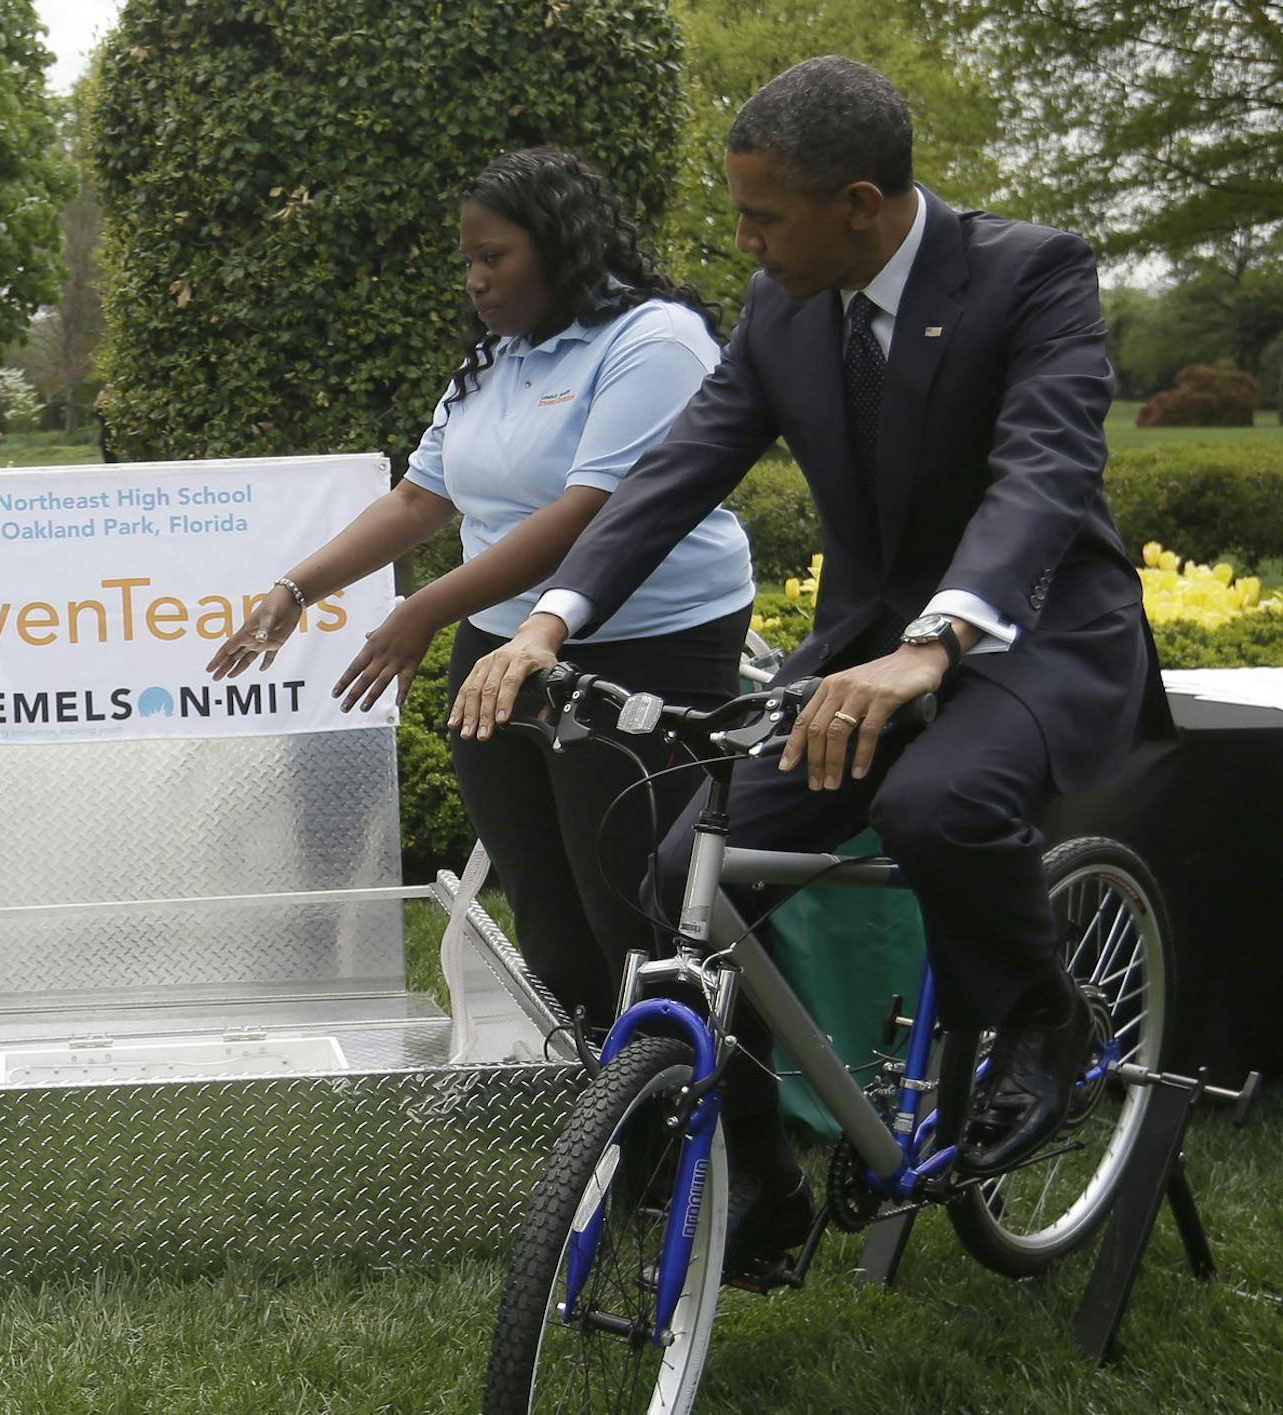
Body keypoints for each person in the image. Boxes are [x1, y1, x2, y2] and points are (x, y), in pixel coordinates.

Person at [451, 57, 1173, 1266]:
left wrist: (935, 640)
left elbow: (1043, 475)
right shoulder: (783, 305)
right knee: (688, 872)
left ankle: (1045, 1026)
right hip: (860, 657)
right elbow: (678, 470)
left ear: (858, 202)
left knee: (935, 802)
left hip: (1031, 633)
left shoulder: (1031, 272)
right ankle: (767, 1178)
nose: (742, 238)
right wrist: (549, 619)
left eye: (763, 214)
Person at [208, 148, 755, 1022]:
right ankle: (596, 1100)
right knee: (544, 905)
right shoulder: (498, 356)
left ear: (560, 245)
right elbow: (423, 497)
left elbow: (592, 511)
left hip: (640, 649)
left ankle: (704, 1129)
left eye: (492, 256)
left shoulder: (656, 341)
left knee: (630, 909)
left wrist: (424, 606)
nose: (474, 279)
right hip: (499, 646)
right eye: (468, 259)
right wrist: (296, 589)